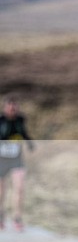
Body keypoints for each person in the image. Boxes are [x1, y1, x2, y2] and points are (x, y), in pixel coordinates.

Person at [0, 97, 35, 232]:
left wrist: (29, 143)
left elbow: (23, 132)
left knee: (19, 188)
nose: (12, 110)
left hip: (16, 159)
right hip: (1, 160)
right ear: (5, 108)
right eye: (10, 107)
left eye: (14, 107)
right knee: (1, 191)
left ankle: (17, 218)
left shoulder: (20, 119)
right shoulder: (1, 120)